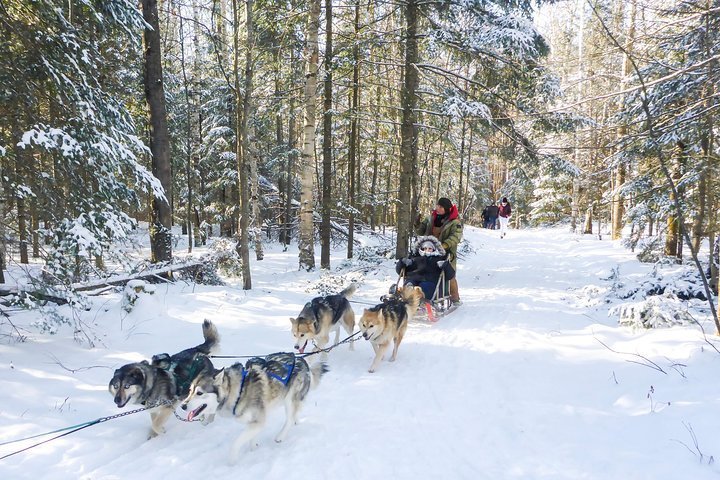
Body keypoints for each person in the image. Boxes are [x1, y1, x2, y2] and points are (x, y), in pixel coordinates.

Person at [416, 197, 463, 305]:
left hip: (446, 252)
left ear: (446, 209)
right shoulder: (430, 218)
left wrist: (444, 245)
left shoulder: (454, 222)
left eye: (440, 207)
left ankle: (455, 297)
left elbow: (456, 237)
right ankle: (428, 293)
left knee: (449, 274)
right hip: (429, 249)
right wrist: (417, 223)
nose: (437, 208)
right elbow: (420, 231)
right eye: (437, 205)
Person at [396, 236, 455, 301]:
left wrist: (445, 265)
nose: (427, 250)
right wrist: (402, 263)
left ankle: (419, 297)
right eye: (424, 248)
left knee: (424, 286)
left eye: (430, 248)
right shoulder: (414, 258)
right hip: (414, 278)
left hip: (430, 281)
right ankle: (408, 292)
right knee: (410, 283)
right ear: (421, 248)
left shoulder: (437, 259)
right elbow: (400, 272)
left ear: (434, 249)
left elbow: (450, 275)